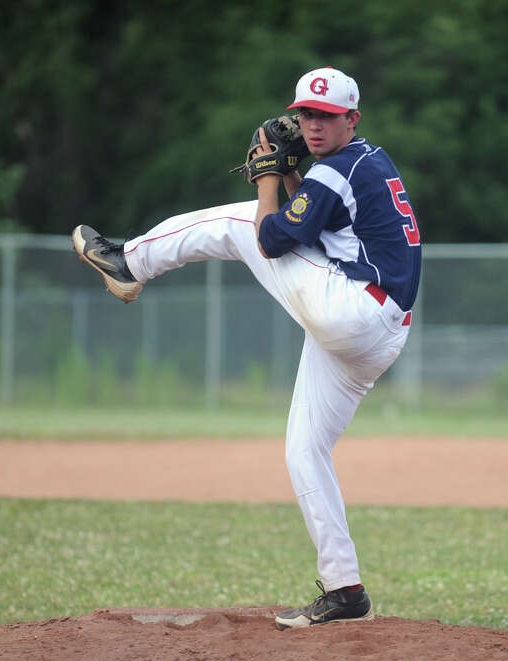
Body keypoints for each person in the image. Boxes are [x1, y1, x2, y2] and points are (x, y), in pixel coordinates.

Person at [71, 67, 421, 630]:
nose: (312, 124)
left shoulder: (336, 169)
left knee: (240, 222)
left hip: (353, 310)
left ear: (351, 119)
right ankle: (345, 589)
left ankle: (128, 262)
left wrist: (265, 177)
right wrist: (288, 180)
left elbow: (269, 237)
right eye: (305, 113)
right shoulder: (365, 163)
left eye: (326, 116)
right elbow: (313, 232)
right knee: (304, 450)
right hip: (377, 330)